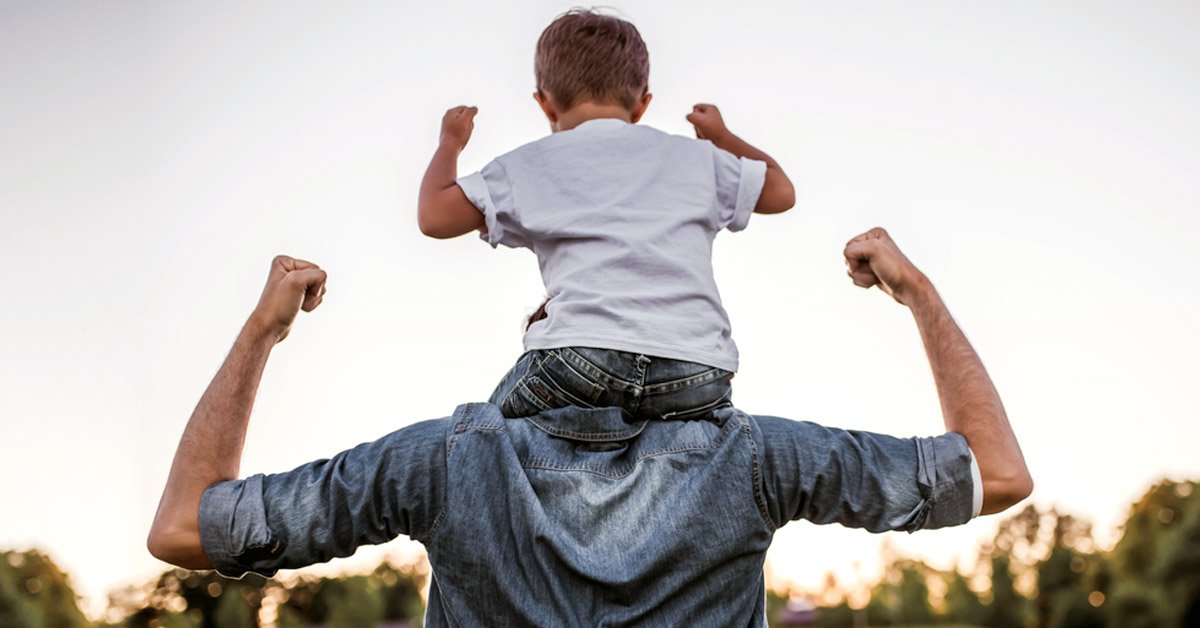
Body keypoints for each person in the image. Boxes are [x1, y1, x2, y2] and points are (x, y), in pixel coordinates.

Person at [147, 228, 1032, 626]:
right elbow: (997, 473)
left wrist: (263, 331)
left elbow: (185, 525)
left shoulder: (444, 463)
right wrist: (917, 293)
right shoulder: (754, 458)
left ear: (539, 342)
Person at [417, 9, 796, 420]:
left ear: (544, 104)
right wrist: (721, 137)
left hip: (582, 361)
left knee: (483, 436)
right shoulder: (696, 159)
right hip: (698, 370)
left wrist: (450, 143)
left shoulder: (531, 164)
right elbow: (781, 192)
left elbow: (434, 216)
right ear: (642, 105)